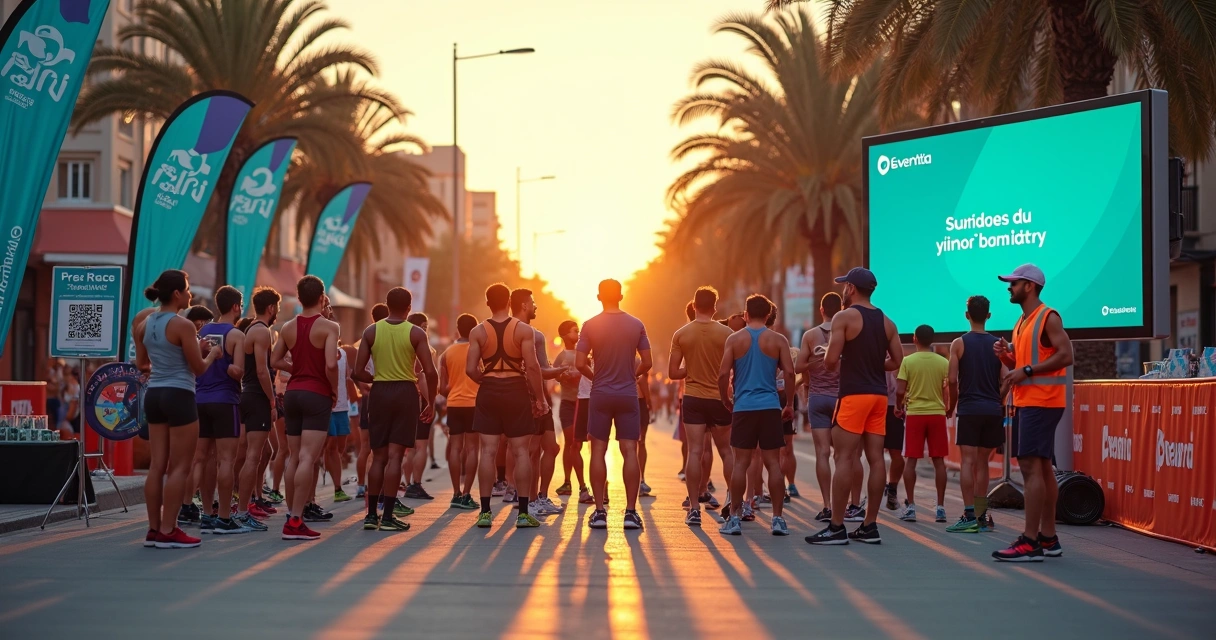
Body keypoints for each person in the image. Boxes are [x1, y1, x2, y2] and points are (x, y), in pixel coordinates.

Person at [807, 267, 902, 546]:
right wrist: (873, 365)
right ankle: (869, 526)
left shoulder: (844, 317)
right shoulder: (887, 322)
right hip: (878, 396)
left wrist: (831, 354)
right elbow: (896, 361)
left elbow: (831, 361)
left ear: (850, 288)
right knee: (875, 460)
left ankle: (836, 527)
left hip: (853, 396)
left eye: (844, 285)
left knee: (844, 458)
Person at [134, 270, 223, 549]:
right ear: (176, 294)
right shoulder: (183, 325)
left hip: (155, 395)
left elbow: (142, 365)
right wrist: (211, 354)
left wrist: (180, 355)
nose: (190, 295)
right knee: (180, 466)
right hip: (180, 394)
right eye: (186, 290)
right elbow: (198, 369)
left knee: (157, 465)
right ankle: (169, 530)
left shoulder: (145, 323)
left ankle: (153, 529)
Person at [993, 264, 1073, 562]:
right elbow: (1025, 360)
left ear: (1028, 286)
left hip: (1042, 401)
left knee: (1030, 467)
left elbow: (1067, 355)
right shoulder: (1023, 321)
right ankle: (1048, 539)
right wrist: (1006, 355)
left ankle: (1030, 542)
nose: (1008, 288)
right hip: (1032, 401)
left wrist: (1026, 370)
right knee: (1040, 468)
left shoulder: (1047, 317)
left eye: (1013, 283)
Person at [352, 288, 436, 533]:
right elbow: (430, 371)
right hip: (405, 393)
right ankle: (388, 517)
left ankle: (370, 516)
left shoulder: (371, 331)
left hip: (379, 393)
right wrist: (430, 402)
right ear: (409, 308)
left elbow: (356, 372)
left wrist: (376, 377)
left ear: (386, 306)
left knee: (377, 456)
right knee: (396, 456)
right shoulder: (416, 332)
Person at [466, 283, 548, 529]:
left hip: (489, 392)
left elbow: (470, 369)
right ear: (509, 302)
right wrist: (540, 398)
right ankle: (523, 514)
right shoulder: (523, 330)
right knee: (521, 451)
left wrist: (487, 379)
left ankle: (485, 512)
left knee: (488, 452)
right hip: (516, 390)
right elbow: (532, 367)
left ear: (488, 303)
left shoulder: (478, 331)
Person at [576, 279, 652, 531]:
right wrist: (632, 375)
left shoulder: (589, 325)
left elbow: (579, 363)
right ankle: (630, 513)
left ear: (599, 297)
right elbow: (647, 362)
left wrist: (595, 377)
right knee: (630, 450)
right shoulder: (636, 324)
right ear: (621, 295)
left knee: (597, 451)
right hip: (628, 394)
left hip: (600, 394)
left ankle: (599, 512)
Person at [718, 295, 795, 536]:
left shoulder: (734, 339)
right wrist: (790, 403)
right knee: (773, 463)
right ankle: (778, 519)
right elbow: (790, 374)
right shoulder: (779, 340)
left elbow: (722, 375)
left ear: (746, 314)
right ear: (768, 314)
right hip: (771, 406)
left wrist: (725, 399)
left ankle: (734, 519)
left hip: (744, 407)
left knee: (741, 462)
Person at [271, 276, 340, 541]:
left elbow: (276, 360)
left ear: (299, 298)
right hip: (316, 394)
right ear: (322, 298)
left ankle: (292, 514)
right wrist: (333, 389)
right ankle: (296, 520)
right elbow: (331, 365)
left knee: (294, 456)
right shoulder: (329, 327)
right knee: (308, 458)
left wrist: (296, 369)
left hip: (293, 394)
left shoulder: (287, 327)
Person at [669, 287, 733, 528]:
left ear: (694, 306)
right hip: (719, 398)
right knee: (727, 452)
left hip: (693, 398)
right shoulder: (727, 333)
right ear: (715, 307)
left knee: (695, 452)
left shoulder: (681, 334)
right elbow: (731, 369)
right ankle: (731, 502)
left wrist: (692, 368)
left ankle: (694, 508)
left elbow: (673, 372)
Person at [946, 295, 1005, 533]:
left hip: (969, 410)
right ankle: (982, 516)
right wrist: (997, 400)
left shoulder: (958, 344)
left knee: (967, 463)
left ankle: (969, 515)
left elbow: (951, 379)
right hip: (992, 411)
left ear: (966, 315)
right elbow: (1008, 378)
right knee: (983, 464)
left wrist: (951, 405)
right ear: (989, 316)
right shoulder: (998, 344)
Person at [794, 292, 855, 522]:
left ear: (821, 310)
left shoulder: (810, 336)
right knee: (844, 456)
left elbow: (800, 366)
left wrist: (817, 358)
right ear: (840, 310)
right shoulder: (848, 334)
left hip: (818, 399)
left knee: (822, 452)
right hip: (843, 399)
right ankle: (845, 506)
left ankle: (827, 505)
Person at [194, 286, 248, 535]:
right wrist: (225, 364)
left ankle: (206, 514)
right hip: (225, 400)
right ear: (236, 306)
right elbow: (238, 372)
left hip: (200, 399)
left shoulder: (202, 330)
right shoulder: (236, 335)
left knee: (203, 459)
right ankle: (224, 517)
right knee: (226, 460)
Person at [509, 289, 567, 517]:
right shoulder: (533, 334)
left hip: (526, 397)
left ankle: (539, 497)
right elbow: (540, 370)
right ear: (523, 305)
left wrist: (558, 371)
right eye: (532, 303)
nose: (535, 307)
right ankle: (531, 499)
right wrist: (559, 371)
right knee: (531, 451)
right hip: (531, 399)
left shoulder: (502, 331)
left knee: (551, 447)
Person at [895, 325, 950, 524]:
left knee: (911, 460)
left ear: (914, 338)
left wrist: (899, 406)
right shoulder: (943, 362)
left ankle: (910, 507)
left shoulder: (908, 361)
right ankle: (941, 508)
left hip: (915, 414)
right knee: (939, 461)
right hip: (937, 413)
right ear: (933, 340)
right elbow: (949, 386)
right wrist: (949, 408)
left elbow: (900, 390)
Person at [236, 287, 280, 531]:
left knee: (256, 453)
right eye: (278, 308)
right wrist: (272, 399)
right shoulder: (262, 331)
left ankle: (243, 506)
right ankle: (243, 511)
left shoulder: (250, 329)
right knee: (253, 455)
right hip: (256, 396)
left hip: (247, 394)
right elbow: (262, 371)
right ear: (271, 308)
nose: (278, 313)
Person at [439, 313, 480, 510]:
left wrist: (455, 388)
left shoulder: (446, 353)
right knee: (472, 448)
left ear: (457, 329)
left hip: (454, 404)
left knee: (455, 447)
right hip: (475, 405)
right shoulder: (479, 351)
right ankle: (467, 494)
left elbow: (441, 388)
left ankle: (455, 493)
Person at [354, 303, 389, 499]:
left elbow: (356, 371)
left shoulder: (365, 339)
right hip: (386, 393)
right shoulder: (389, 338)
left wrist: (363, 387)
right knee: (383, 451)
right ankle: (381, 490)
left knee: (365, 446)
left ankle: (361, 486)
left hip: (369, 397)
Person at [403, 312, 437, 501]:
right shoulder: (424, 349)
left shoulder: (402, 344)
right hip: (419, 400)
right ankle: (415, 484)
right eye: (424, 327)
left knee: (409, 447)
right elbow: (421, 377)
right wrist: (429, 401)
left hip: (403, 396)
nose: (426, 330)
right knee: (420, 445)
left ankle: (408, 483)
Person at [552, 320, 587, 498]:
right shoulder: (561, 357)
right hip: (567, 403)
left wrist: (578, 374)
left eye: (578, 330)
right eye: (575, 331)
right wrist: (563, 375)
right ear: (564, 335)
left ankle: (581, 483)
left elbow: (591, 371)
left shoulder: (585, 354)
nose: (578, 334)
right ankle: (569, 482)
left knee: (578, 444)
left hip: (582, 403)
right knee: (571, 443)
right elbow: (555, 374)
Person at [324, 305, 354, 505]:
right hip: (327, 405)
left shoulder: (342, 355)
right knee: (331, 446)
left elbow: (347, 378)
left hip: (342, 407)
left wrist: (354, 398)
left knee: (341, 446)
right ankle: (337, 488)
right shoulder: (322, 353)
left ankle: (333, 477)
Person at [882, 368, 906, 512]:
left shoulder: (897, 358)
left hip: (887, 406)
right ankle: (889, 489)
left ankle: (891, 489)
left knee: (888, 454)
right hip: (885, 405)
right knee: (893, 454)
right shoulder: (897, 357)